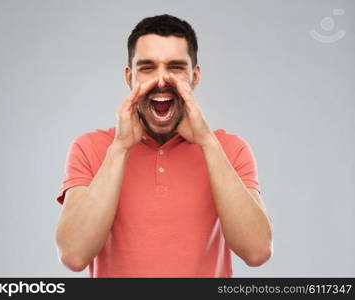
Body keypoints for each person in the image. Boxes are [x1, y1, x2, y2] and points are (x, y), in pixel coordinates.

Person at [55, 14, 273, 277]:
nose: (161, 80)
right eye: (147, 67)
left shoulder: (230, 149)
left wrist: (207, 142)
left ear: (195, 76)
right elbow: (73, 255)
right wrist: (120, 148)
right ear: (129, 77)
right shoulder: (89, 147)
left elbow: (257, 251)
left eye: (176, 67)